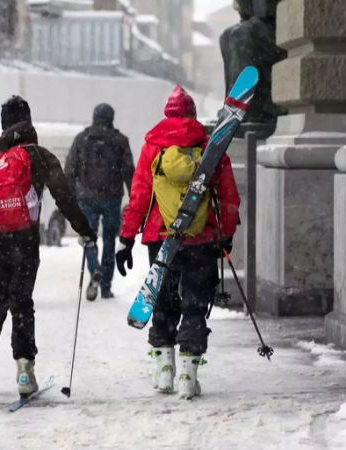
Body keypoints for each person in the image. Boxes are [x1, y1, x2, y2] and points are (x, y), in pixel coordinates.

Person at [0, 96, 96, 401]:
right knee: (21, 304)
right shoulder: (39, 156)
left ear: (3, 124)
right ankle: (25, 371)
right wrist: (85, 230)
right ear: (28, 121)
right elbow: (65, 197)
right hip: (23, 242)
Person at [115, 85, 240, 400]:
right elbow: (228, 197)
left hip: (161, 236)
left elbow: (141, 195)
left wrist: (127, 238)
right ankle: (188, 371)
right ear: (193, 114)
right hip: (201, 236)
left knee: (164, 299)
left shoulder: (153, 147)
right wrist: (225, 234)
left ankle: (164, 370)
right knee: (195, 303)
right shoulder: (211, 147)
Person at [65, 103, 134, 301]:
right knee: (110, 240)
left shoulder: (82, 139)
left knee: (89, 238)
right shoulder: (120, 141)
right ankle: (106, 286)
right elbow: (129, 171)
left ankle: (94, 269)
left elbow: (70, 170)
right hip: (112, 198)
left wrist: (69, 198)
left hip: (86, 197)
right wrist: (134, 196)